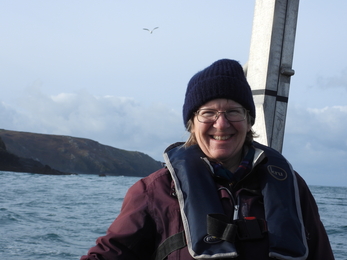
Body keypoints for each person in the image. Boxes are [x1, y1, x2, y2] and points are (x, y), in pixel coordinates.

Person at [81, 59, 334, 260]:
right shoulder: (153, 192)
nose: (221, 124)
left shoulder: (291, 187)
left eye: (234, 112)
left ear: (249, 121)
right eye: (208, 113)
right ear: (192, 123)